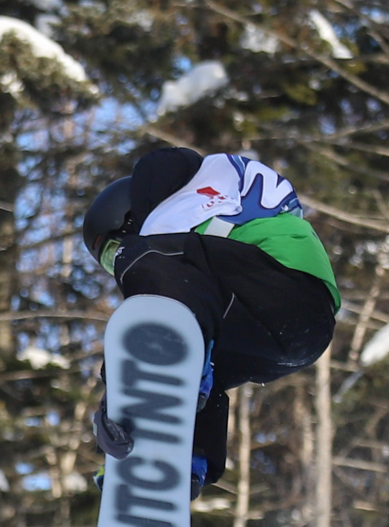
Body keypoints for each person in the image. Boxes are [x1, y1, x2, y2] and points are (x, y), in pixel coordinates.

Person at [83, 146, 339, 496]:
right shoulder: (203, 230)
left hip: (287, 287)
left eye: (113, 253)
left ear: (127, 218)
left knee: (153, 272)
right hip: (292, 333)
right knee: (207, 364)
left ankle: (174, 390)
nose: (120, 271)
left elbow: (169, 164)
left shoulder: (173, 204)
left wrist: (121, 386)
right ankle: (183, 459)